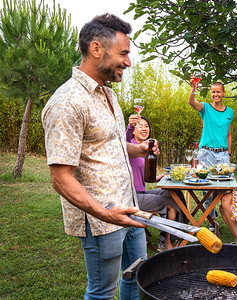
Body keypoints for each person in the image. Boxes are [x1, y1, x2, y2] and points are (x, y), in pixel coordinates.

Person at [42, 14, 156, 299]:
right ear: (96, 49)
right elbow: (60, 178)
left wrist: (138, 149)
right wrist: (105, 214)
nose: (128, 62)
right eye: (124, 53)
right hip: (101, 220)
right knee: (102, 292)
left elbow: (109, 143)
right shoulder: (67, 102)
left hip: (130, 208)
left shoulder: (108, 93)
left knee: (136, 277)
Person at [126, 114, 188, 250]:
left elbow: (140, 175)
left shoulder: (146, 148)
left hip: (141, 192)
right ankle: (165, 243)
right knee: (162, 202)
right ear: (134, 130)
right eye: (139, 125)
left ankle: (175, 236)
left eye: (146, 126)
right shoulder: (128, 145)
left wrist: (155, 178)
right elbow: (124, 138)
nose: (143, 128)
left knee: (173, 195)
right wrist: (130, 126)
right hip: (130, 196)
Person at [189, 77, 233, 229]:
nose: (215, 94)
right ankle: (212, 220)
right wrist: (194, 89)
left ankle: (227, 215)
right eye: (213, 92)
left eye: (218, 92)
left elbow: (228, 135)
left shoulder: (230, 112)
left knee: (224, 187)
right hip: (206, 153)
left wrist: (229, 154)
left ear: (223, 93)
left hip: (222, 154)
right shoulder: (206, 108)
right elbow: (191, 103)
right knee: (206, 187)